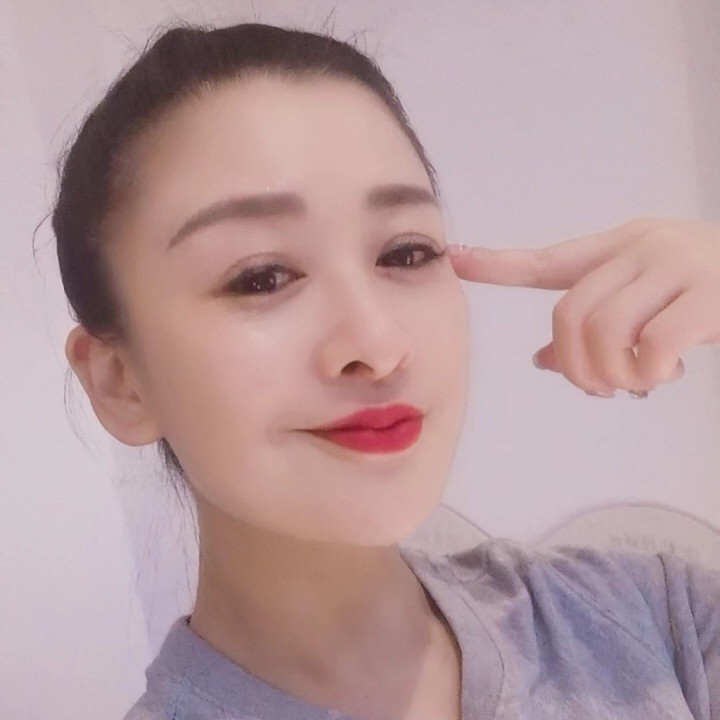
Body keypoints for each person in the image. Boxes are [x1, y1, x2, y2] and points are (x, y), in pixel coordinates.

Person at [53, 20, 719, 720]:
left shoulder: (648, 622)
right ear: (120, 381)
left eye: (405, 253)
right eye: (261, 276)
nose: (377, 343)